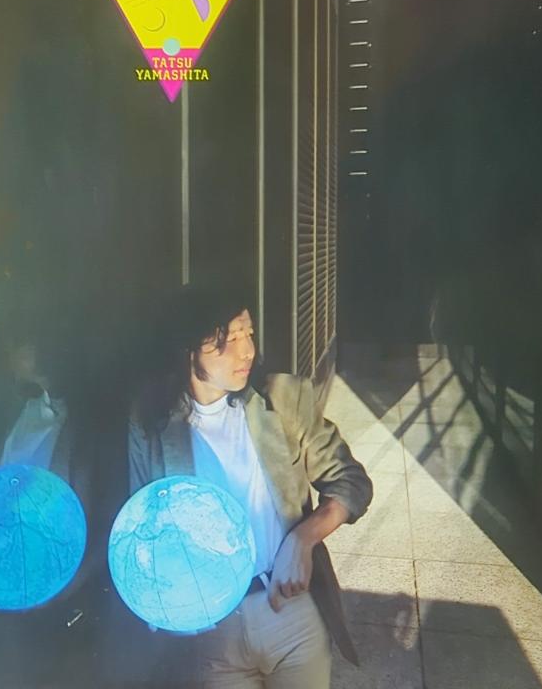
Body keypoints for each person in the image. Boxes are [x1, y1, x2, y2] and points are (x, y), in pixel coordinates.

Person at [128, 284, 373, 689]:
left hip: (288, 608)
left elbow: (351, 481)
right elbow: (141, 525)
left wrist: (303, 539)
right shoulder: (152, 424)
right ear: (189, 350)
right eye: (227, 340)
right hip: (212, 630)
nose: (246, 352)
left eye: (249, 334)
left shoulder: (281, 398)